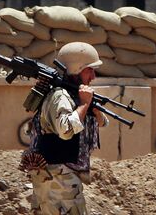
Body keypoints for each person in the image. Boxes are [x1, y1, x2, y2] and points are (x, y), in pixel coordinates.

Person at [24, 42, 109, 215]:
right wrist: (85, 104)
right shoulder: (60, 96)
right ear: (76, 69)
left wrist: (93, 107)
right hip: (58, 175)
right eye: (89, 70)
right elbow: (66, 130)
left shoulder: (74, 95)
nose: (93, 76)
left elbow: (102, 122)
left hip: (60, 173)